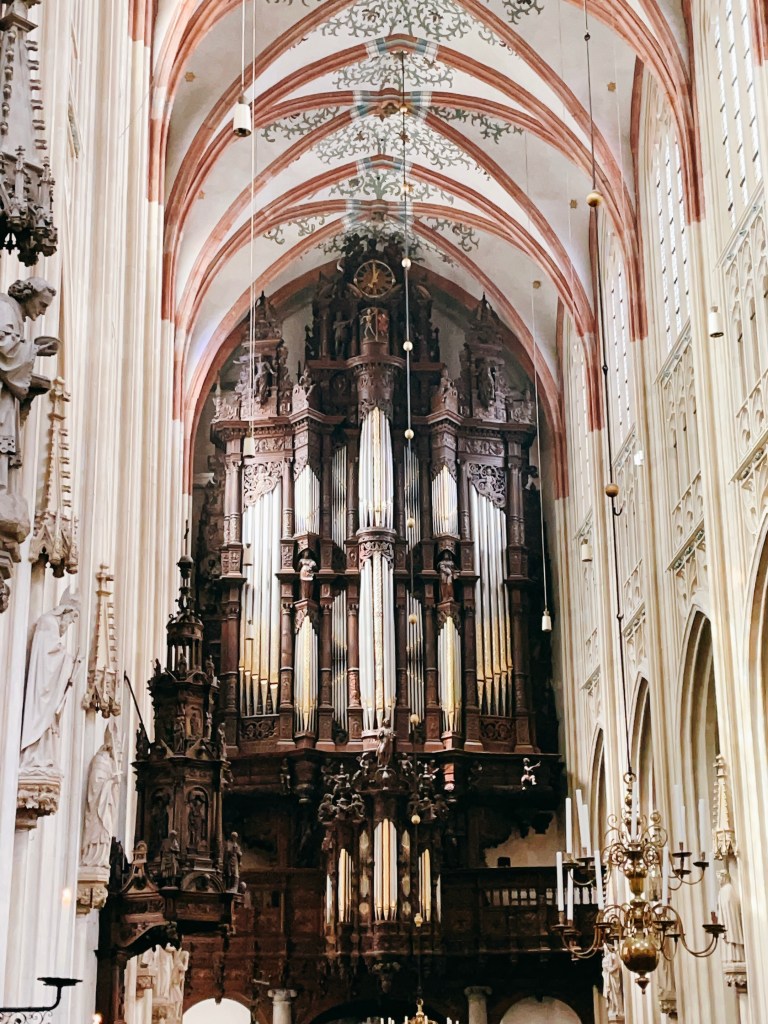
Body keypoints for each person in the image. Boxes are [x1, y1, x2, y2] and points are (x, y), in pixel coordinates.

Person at [0, 277, 58, 493]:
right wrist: (35, 349)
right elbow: (3, 348)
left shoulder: (14, 314)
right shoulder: (5, 308)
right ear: (28, 296)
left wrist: (33, 350)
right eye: (42, 304)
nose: (43, 312)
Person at [19, 589, 80, 771]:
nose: (69, 624)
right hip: (43, 687)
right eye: (71, 619)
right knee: (44, 715)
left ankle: (43, 757)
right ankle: (34, 756)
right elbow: (48, 657)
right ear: (65, 612)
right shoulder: (48, 622)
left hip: (48, 687)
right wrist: (70, 660)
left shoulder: (51, 624)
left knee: (49, 720)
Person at [81, 724, 121, 868]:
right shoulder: (100, 759)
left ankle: (101, 858)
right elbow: (95, 784)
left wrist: (114, 782)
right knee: (101, 826)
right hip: (99, 806)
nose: (119, 751)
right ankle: (93, 857)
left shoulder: (110, 762)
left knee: (106, 828)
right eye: (117, 746)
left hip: (106, 804)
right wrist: (111, 781)